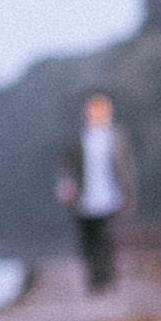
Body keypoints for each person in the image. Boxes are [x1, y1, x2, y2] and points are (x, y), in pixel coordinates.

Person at [60, 92, 131, 294]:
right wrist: (66, 186)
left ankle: (108, 279)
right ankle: (94, 282)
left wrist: (128, 194)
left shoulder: (117, 138)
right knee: (88, 241)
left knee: (107, 239)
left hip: (110, 198)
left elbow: (127, 168)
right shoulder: (78, 138)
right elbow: (66, 167)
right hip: (84, 199)